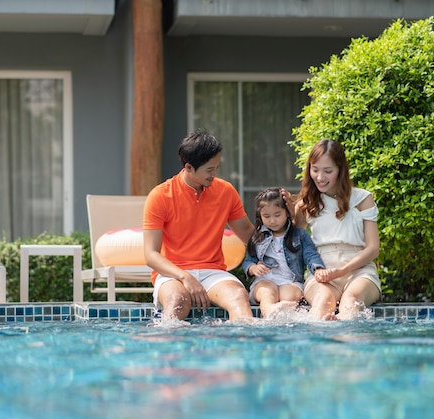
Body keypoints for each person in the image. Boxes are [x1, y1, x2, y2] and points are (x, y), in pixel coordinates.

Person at [142, 129, 256, 322]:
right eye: (210, 170)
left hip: (213, 273)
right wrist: (186, 278)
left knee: (238, 297)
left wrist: (284, 233)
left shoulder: (226, 191)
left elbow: (247, 232)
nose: (215, 174)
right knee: (178, 300)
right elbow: (151, 255)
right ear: (188, 167)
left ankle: (242, 349)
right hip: (174, 275)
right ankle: (166, 348)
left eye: (217, 167)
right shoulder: (160, 195)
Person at [294, 139, 381, 320]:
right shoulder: (305, 204)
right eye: (315, 169)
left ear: (340, 170)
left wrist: (341, 271)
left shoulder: (363, 199)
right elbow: (295, 247)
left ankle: (344, 339)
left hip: (360, 273)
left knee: (351, 300)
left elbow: (373, 249)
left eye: (328, 171)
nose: (320, 177)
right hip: (321, 274)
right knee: (323, 300)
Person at [243, 187, 326, 319]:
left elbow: (310, 254)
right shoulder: (258, 237)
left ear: (287, 212)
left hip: (290, 280)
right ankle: (269, 310)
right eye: (267, 216)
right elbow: (249, 260)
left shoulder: (299, 235)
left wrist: (317, 268)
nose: (272, 221)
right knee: (267, 293)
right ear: (260, 216)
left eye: (277, 215)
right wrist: (253, 268)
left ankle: (285, 315)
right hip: (265, 280)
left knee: (290, 296)